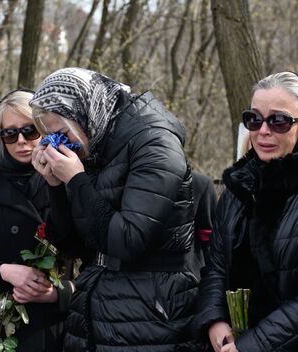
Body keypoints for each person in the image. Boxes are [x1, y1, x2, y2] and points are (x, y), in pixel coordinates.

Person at [29, 67, 202, 351]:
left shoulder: (155, 142)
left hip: (150, 316)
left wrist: (75, 178)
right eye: (48, 137)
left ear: (86, 113)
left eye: (61, 133)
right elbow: (72, 246)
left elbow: (128, 239)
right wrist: (55, 185)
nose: (56, 145)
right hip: (95, 309)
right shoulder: (97, 142)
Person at [192, 72, 298, 352]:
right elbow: (215, 267)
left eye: (279, 120)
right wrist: (215, 321)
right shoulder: (239, 188)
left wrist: (251, 345)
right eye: (254, 119)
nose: (263, 131)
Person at [0, 89, 74, 351]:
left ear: (44, 129)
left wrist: (57, 294)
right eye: (9, 134)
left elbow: (87, 259)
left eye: (29, 130)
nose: (21, 141)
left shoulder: (69, 184)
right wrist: (3, 271)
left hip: (51, 332)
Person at [192, 170, 217, 265]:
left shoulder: (200, 183)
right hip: (186, 273)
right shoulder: (200, 182)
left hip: (186, 271)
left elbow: (209, 237)